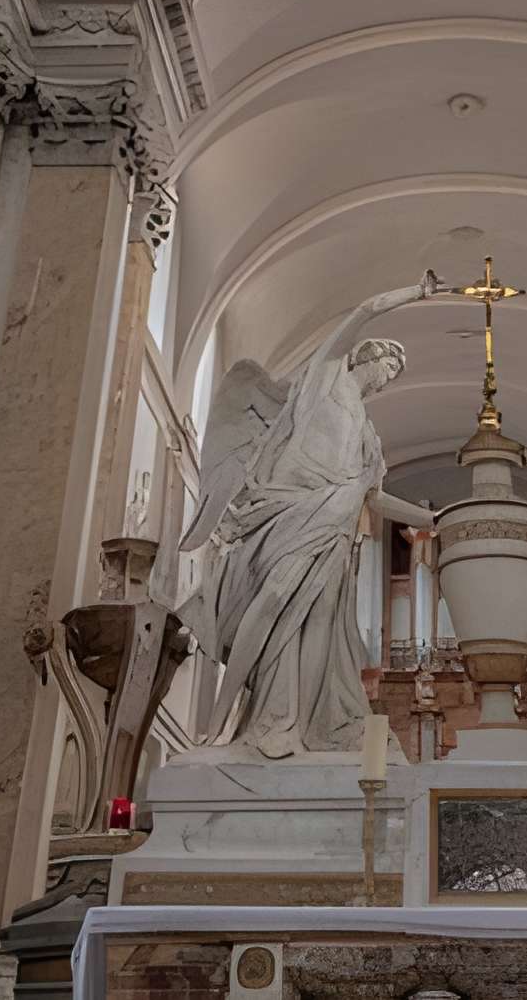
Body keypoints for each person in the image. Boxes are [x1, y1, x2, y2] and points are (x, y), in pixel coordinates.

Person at [180, 276, 445, 757]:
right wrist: (416, 293)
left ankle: (300, 724)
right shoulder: (325, 379)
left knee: (322, 621)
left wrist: (430, 520)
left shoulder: (369, 436)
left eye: (396, 372)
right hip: (292, 516)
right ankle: (227, 719)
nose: (390, 375)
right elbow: (363, 306)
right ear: (366, 357)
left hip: (335, 534)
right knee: (274, 600)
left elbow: (375, 500)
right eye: (388, 363)